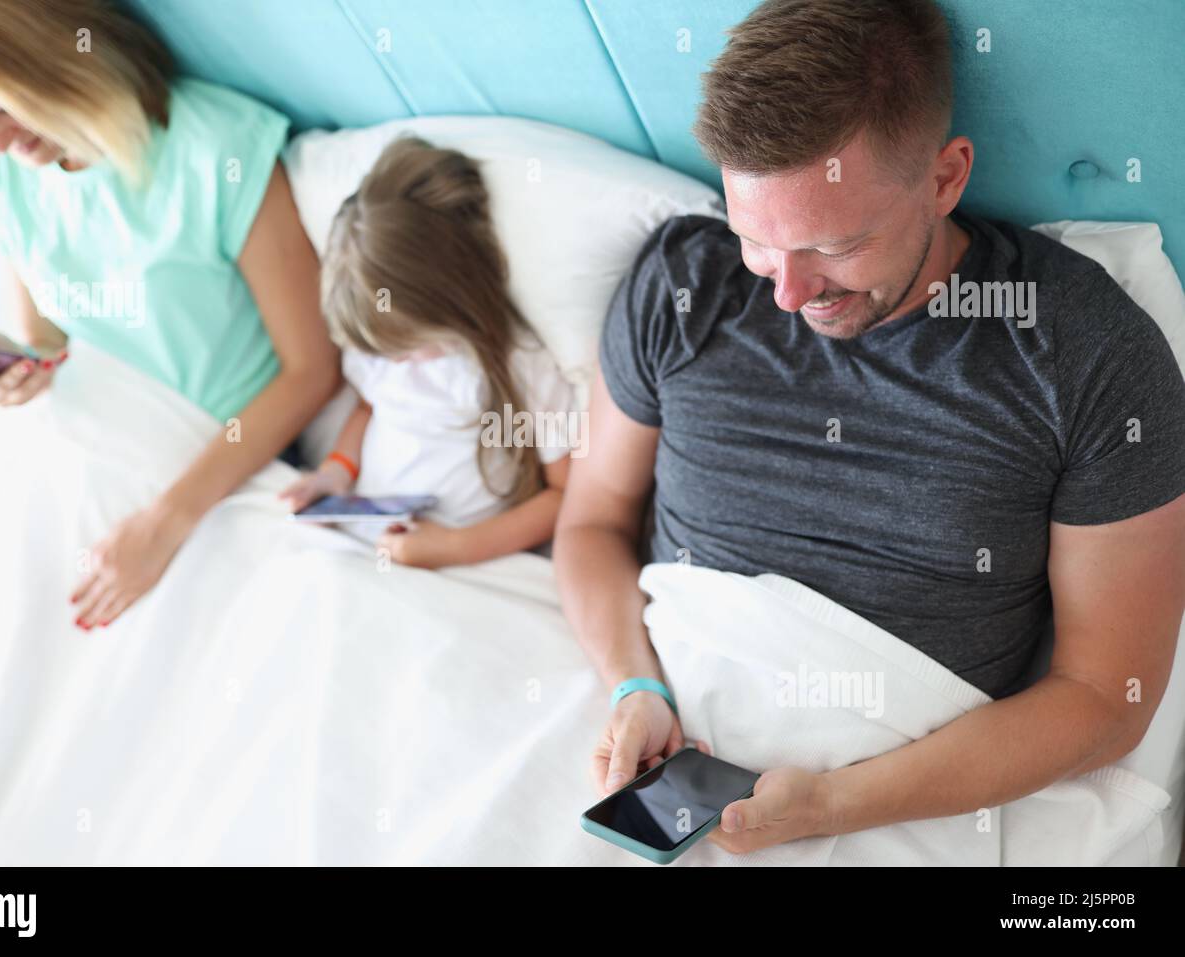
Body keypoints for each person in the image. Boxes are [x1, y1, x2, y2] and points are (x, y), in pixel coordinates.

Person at [553, 0, 1185, 856]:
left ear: (945, 177)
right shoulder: (682, 286)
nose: (785, 292)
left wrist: (829, 806)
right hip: (666, 757)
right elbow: (590, 520)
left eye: (834, 245)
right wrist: (633, 682)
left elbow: (1108, 697)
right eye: (756, 241)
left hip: (896, 791)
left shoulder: (1083, 352)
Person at [0, 0, 340, 628]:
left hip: (199, 465)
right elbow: (48, 339)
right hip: (79, 446)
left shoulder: (218, 150)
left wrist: (165, 522)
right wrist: (18, 364)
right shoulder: (5, 183)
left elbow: (312, 371)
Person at [279, 137, 575, 568]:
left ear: (449, 302)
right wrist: (336, 471)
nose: (395, 363)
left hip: (460, 558)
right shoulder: (379, 352)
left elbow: (564, 494)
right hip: (366, 537)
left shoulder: (521, 365)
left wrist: (459, 547)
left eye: (409, 347)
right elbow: (367, 406)